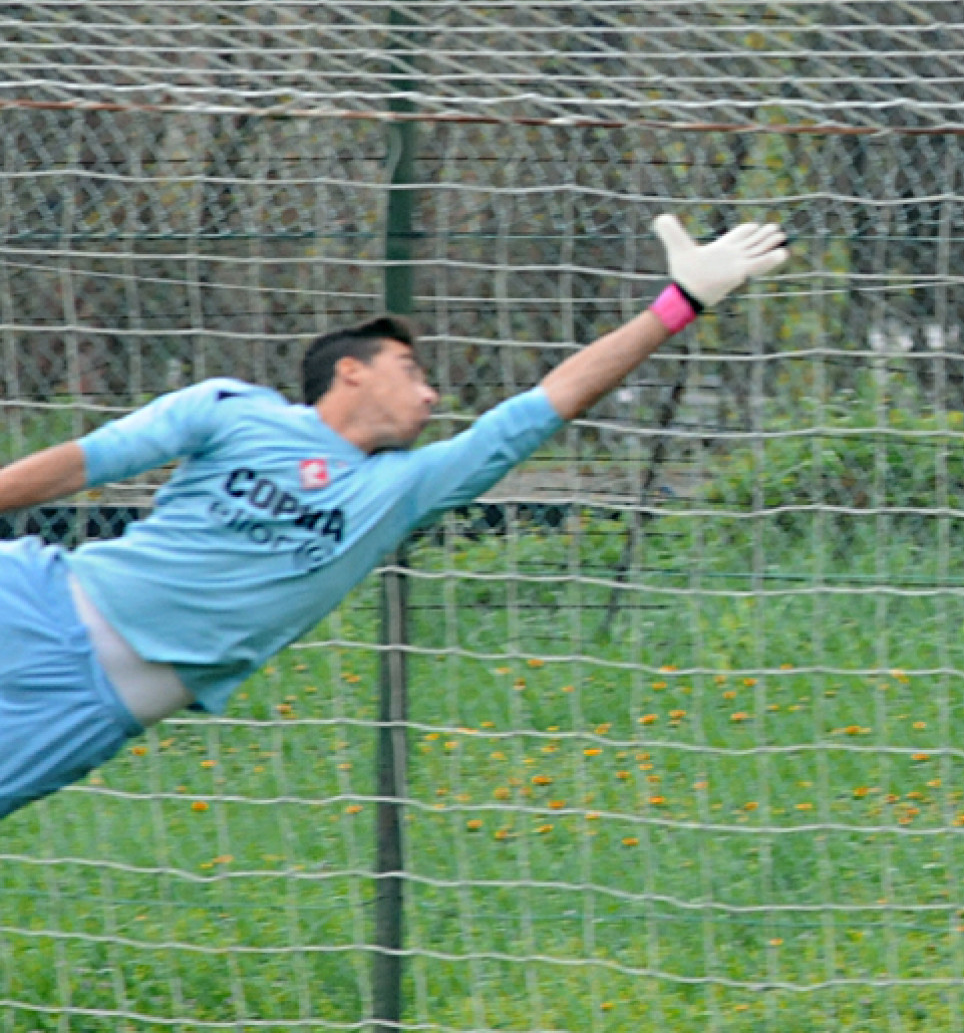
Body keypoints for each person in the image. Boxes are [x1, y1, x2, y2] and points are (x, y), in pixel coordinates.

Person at [0, 215, 788, 818]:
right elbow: (80, 463)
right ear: (350, 369)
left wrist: (679, 303)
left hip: (100, 703)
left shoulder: (405, 487)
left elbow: (548, 403)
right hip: (36, 601)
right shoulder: (229, 409)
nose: (432, 392)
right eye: (410, 370)